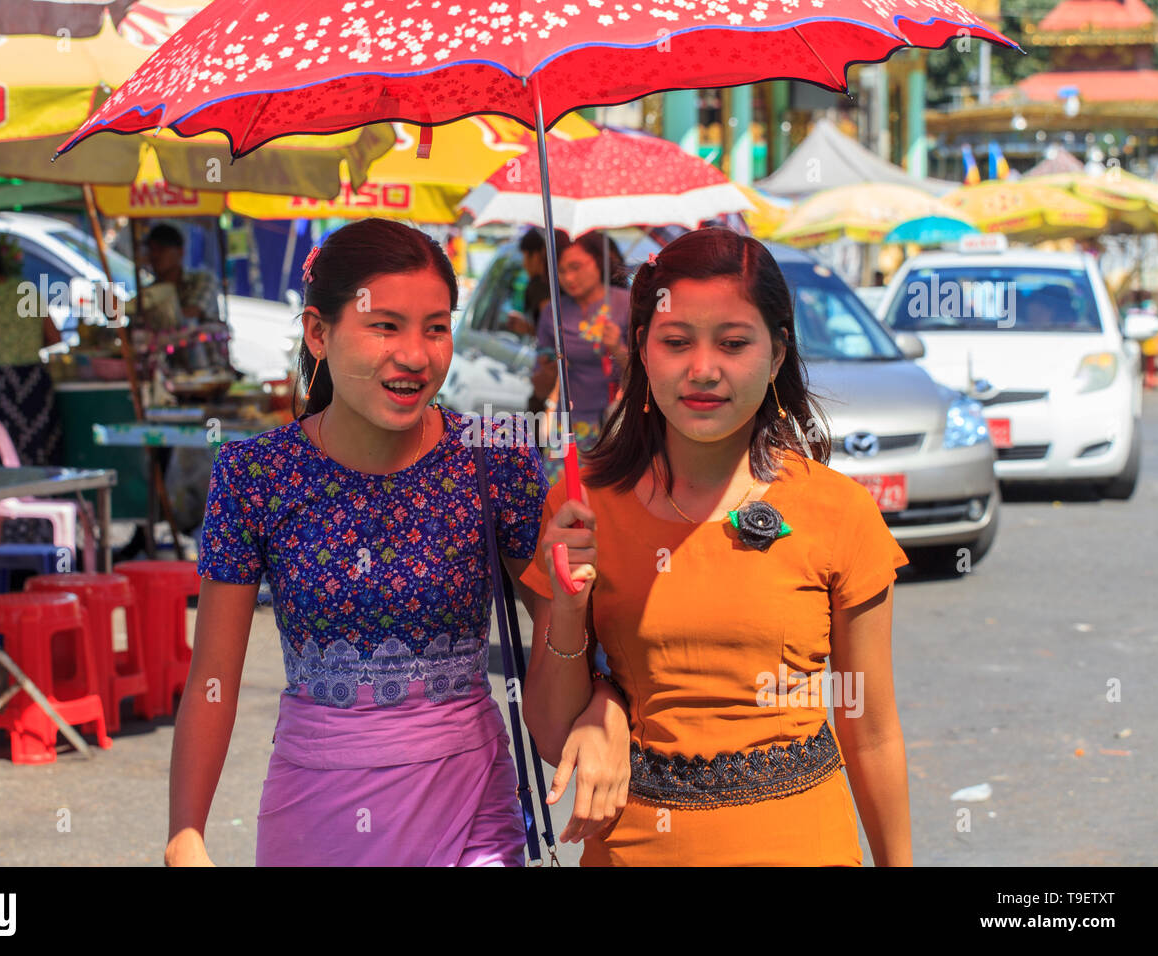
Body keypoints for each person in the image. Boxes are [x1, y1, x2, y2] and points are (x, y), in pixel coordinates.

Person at [173, 217, 625, 867]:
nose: (415, 355)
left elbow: (563, 628)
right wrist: (185, 831)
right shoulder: (255, 476)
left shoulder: (494, 459)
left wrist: (594, 681)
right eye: (385, 325)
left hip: (473, 805)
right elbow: (212, 679)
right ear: (318, 333)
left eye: (435, 327)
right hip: (315, 809)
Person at [520, 227, 913, 866]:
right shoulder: (580, 508)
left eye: (734, 343)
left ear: (778, 353)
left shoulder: (839, 510)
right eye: (677, 343)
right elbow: (547, 732)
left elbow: (869, 732)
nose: (704, 369)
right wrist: (568, 611)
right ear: (643, 348)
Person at [529, 229, 631, 485]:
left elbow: (647, 374)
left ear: (597, 261)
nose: (568, 277)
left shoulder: (628, 305)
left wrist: (618, 348)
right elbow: (540, 386)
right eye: (561, 271)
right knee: (563, 498)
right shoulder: (554, 313)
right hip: (568, 424)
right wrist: (550, 369)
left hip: (618, 422)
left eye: (576, 267)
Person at [0, 230, 64, 467]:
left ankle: (6, 504)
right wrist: (23, 344)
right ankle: (41, 502)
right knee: (39, 458)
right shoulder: (25, 288)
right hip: (35, 384)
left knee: (3, 463)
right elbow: (54, 337)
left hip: (0, 388)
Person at [142, 222, 221, 325]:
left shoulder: (203, 279)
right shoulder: (150, 291)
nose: (155, 255)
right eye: (151, 250)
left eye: (161, 249)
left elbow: (192, 312)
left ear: (180, 252)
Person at [507, 228, 550, 341]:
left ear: (536, 256)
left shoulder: (538, 286)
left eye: (525, 257)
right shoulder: (557, 285)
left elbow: (551, 331)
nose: (524, 264)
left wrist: (529, 328)